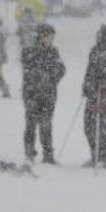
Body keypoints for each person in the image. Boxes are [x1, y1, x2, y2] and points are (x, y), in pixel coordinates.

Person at [21, 23, 65, 163]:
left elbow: (61, 69)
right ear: (42, 36)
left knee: (46, 125)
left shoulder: (53, 51)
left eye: (52, 36)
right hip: (32, 94)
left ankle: (48, 154)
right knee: (31, 124)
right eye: (49, 36)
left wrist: (52, 77)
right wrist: (41, 76)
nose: (51, 39)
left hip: (48, 95)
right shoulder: (29, 51)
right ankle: (29, 153)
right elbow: (28, 70)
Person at [82, 24, 106, 168]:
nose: (97, 36)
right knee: (88, 126)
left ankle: (105, 158)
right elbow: (89, 71)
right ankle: (95, 155)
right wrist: (86, 85)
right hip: (92, 94)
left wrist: (100, 84)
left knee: (101, 128)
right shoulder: (94, 51)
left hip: (104, 97)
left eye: (100, 34)